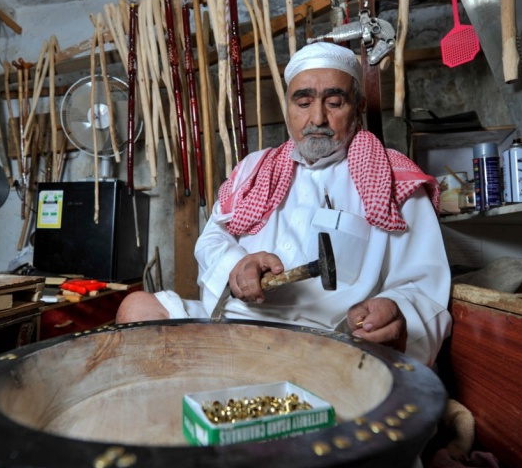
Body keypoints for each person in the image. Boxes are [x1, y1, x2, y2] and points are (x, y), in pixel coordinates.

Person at [117, 41, 451, 366]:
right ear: (288, 107)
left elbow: (423, 286)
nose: (317, 118)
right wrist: (237, 266)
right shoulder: (253, 169)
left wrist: (395, 313)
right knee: (136, 308)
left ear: (358, 108)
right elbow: (213, 240)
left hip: (328, 345)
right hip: (236, 330)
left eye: (334, 102)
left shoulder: (393, 179)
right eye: (303, 103)